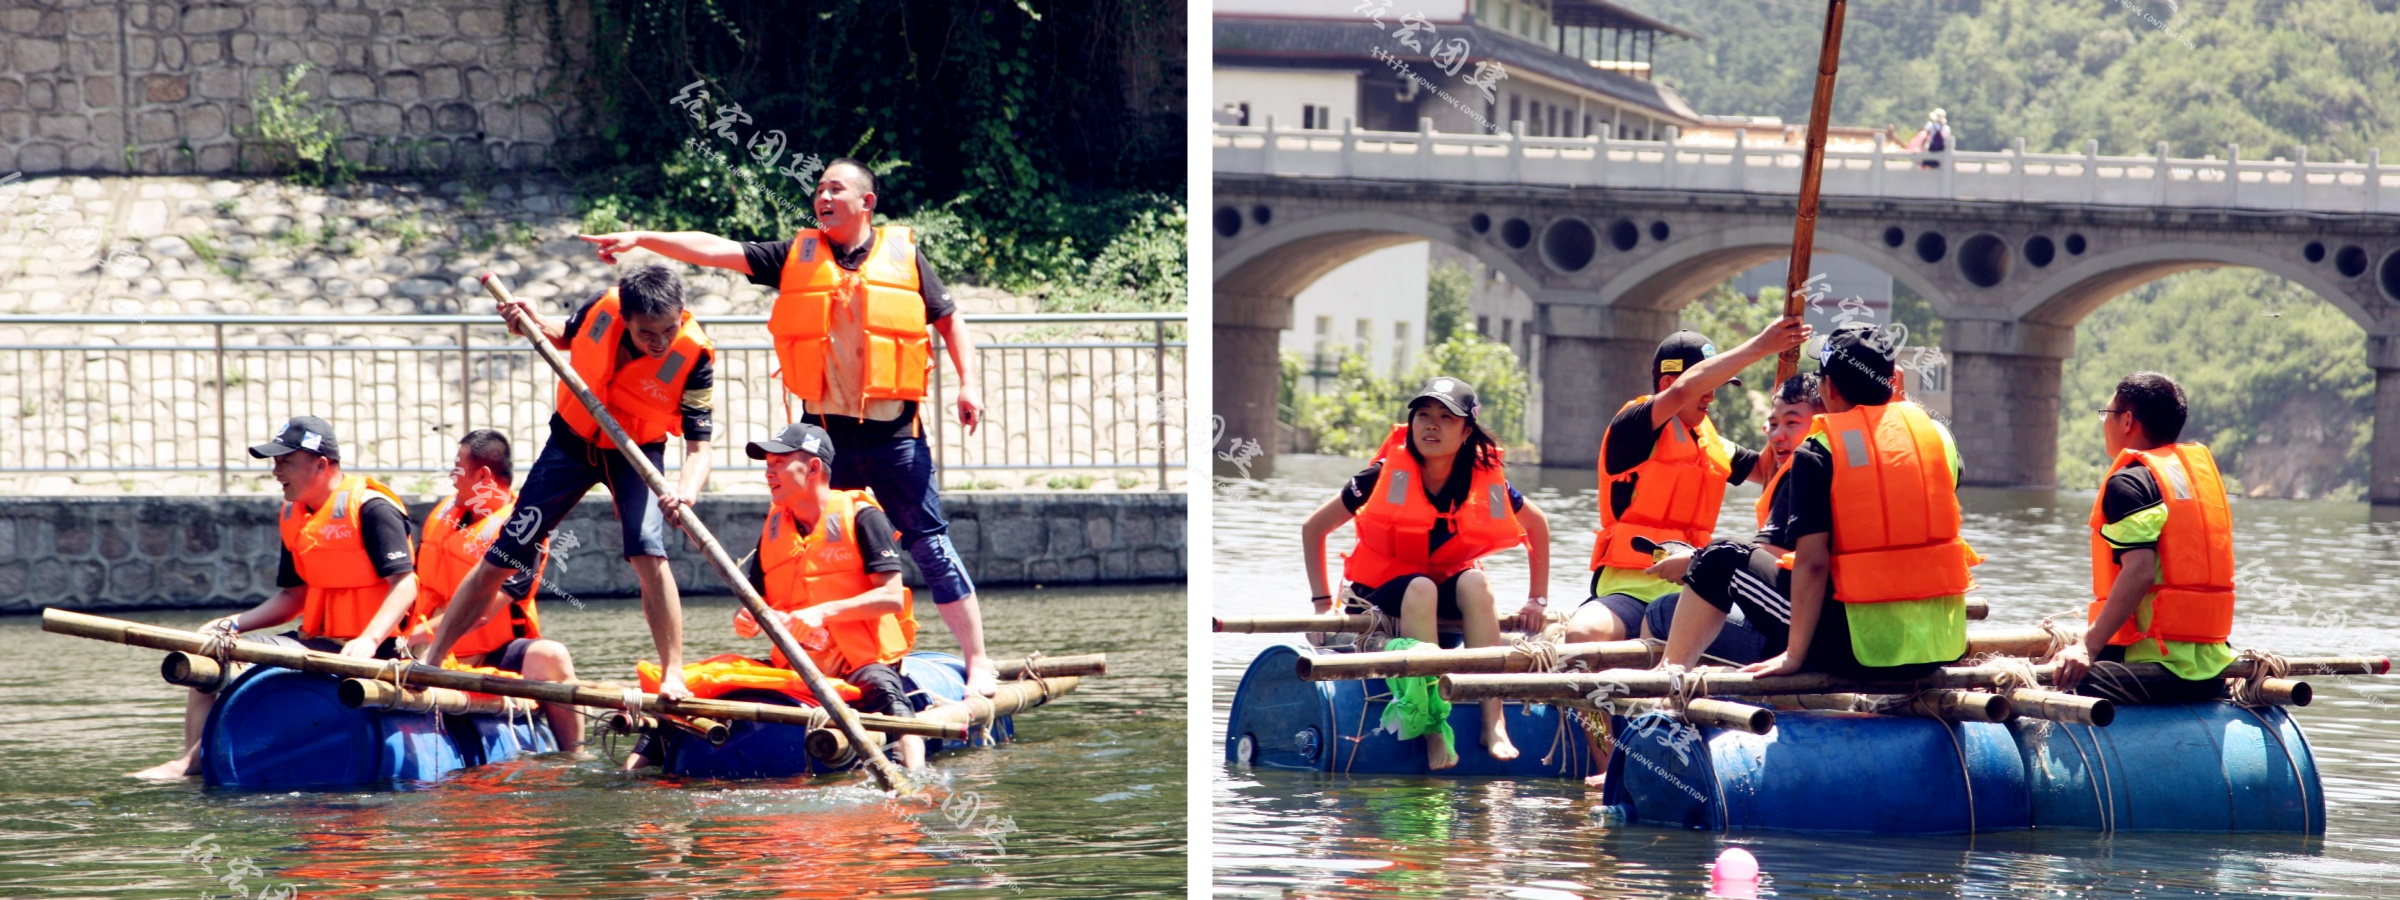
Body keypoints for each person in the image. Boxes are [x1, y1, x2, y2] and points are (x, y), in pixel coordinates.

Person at [571, 158, 998, 695]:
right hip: (824, 440)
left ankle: (977, 659)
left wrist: (968, 383)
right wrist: (643, 238)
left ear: (867, 202)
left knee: (929, 545)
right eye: (819, 188)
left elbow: (949, 318)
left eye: (836, 189)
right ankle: (811, 658)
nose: (823, 195)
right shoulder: (796, 255)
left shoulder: (904, 255)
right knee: (804, 549)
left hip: (894, 437)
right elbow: (716, 248)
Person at [415, 263, 713, 701]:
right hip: (571, 443)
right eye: (647, 333)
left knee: (648, 551)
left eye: (668, 330)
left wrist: (685, 492)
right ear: (626, 318)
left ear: (681, 314)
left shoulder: (696, 357)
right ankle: (433, 661)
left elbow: (699, 449)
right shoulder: (603, 305)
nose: (660, 342)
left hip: (636, 453)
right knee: (504, 552)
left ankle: (673, 675)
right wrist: (531, 322)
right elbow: (567, 335)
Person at [1650, 325, 1978, 680]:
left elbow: (1813, 564)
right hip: (1936, 648)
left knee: (1718, 557)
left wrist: (1793, 655)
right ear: (1893, 380)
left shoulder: (1819, 451)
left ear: (1829, 389)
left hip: (1856, 651)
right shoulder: (1939, 437)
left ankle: (1669, 691)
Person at [132, 417, 420, 779]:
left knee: (240, 659)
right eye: (275, 461)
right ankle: (195, 761)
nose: (275, 471)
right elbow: (292, 598)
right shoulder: (293, 515)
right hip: (315, 642)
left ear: (321, 463)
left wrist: (369, 638)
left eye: (286, 461)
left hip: (376, 648)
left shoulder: (372, 508)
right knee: (205, 650)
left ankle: (195, 761)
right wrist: (232, 624)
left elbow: (406, 583)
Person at [632, 423, 927, 771]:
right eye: (767, 463)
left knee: (888, 695)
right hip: (795, 666)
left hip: (860, 665)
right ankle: (633, 770)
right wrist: (747, 618)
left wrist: (822, 613)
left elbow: (891, 597)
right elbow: (757, 603)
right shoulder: (774, 528)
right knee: (699, 683)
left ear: (814, 468)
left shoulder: (863, 517)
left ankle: (914, 777)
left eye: (778, 462)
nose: (768, 471)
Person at [1299, 377, 1553, 769]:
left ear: (1467, 431)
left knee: (1476, 581)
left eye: (1445, 418)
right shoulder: (1382, 475)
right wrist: (1320, 607)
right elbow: (1313, 528)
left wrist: (1537, 599)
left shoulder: (1486, 478)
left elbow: (1537, 526)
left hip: (1441, 580)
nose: (1431, 425)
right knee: (1420, 588)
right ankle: (1434, 725)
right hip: (1380, 586)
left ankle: (1493, 721)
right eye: (1423, 415)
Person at [1570, 319, 1809, 644]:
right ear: (1668, 381)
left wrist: (1780, 423)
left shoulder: (1714, 444)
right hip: (1628, 590)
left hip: (1693, 589)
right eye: (1708, 384)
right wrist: (1761, 347)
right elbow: (1682, 391)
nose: (1712, 396)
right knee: (1583, 632)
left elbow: (1772, 466)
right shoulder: (1632, 426)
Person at [2047, 372, 2237, 703]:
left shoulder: (2130, 483)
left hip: (2153, 665)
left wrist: (2087, 647)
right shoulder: (2190, 479)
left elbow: (2139, 571)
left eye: (2106, 414)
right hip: (2211, 668)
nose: (2103, 423)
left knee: (2044, 683)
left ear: (2127, 421)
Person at [402, 429, 583, 751]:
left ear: (483, 475)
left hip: (491, 652)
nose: (452, 476)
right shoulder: (445, 514)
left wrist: (414, 636)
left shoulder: (524, 531)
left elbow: (483, 611)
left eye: (458, 467)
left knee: (553, 656)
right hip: (423, 647)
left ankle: (574, 755)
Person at [1637, 373, 1826, 662]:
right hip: (1839, 624)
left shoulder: (1806, 468)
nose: (1777, 435)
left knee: (1663, 609)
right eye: (1773, 424)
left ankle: (1663, 693)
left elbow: (1771, 557)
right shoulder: (1849, 459)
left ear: (1822, 421)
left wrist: (1695, 562)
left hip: (1804, 635)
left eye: (1792, 423)